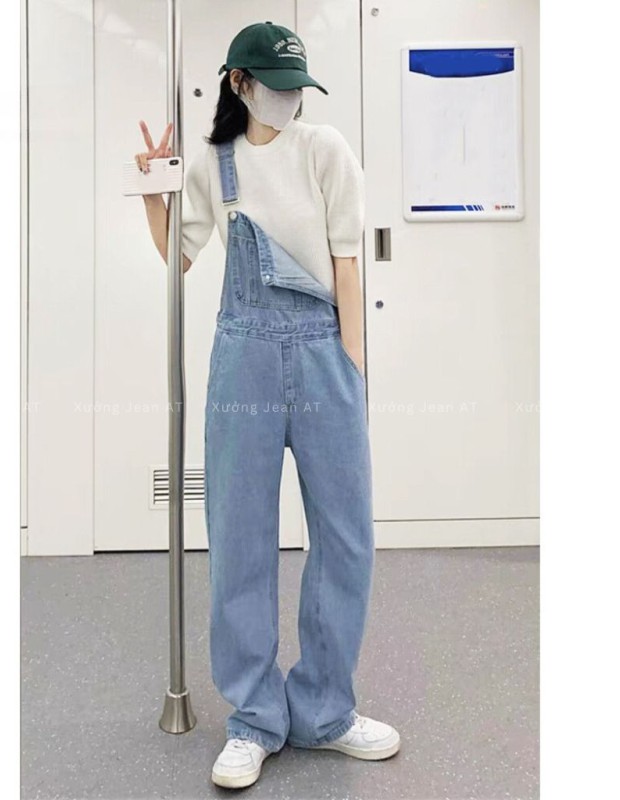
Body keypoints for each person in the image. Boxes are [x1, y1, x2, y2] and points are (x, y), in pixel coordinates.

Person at [137, 21, 400, 790]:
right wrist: (152, 189)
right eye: (275, 87)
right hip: (243, 362)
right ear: (239, 83)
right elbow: (178, 257)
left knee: (346, 537)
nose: (288, 101)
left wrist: (354, 375)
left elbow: (347, 267)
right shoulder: (215, 163)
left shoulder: (326, 151)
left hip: (325, 355)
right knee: (240, 541)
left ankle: (325, 710)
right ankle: (253, 718)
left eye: (297, 89)